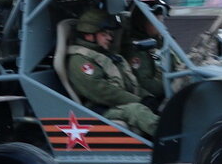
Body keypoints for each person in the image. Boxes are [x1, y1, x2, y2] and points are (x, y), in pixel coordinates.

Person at [66, 8, 159, 137]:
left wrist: (147, 97)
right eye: (104, 34)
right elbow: (101, 91)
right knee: (137, 111)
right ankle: (170, 142)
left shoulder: (104, 56)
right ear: (89, 35)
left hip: (118, 104)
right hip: (101, 109)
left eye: (109, 34)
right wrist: (139, 100)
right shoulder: (79, 61)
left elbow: (129, 81)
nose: (110, 38)